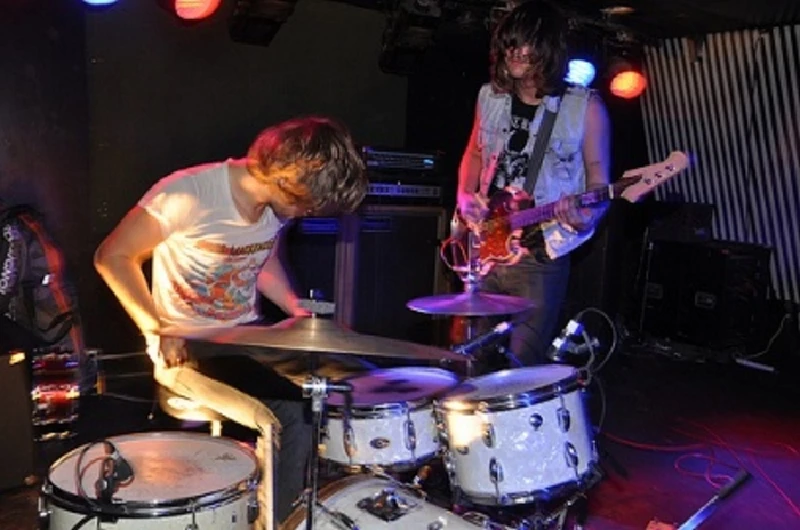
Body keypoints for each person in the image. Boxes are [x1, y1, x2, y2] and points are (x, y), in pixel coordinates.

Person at [94, 116, 370, 523]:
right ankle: (277, 521)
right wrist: (157, 330)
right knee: (290, 415)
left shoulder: (276, 207)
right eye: (307, 204)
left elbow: (263, 259)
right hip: (189, 347)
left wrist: (295, 308)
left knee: (350, 380)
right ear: (284, 177)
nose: (308, 213)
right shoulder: (189, 194)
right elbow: (111, 256)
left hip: (245, 339)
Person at [456, 0, 611, 366]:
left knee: (519, 366)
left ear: (548, 49)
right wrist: (464, 196)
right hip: (484, 246)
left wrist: (586, 217)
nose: (514, 53)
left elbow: (600, 184)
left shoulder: (584, 107)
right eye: (509, 44)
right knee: (467, 358)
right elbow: (474, 154)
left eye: (524, 44)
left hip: (541, 252)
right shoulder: (489, 97)